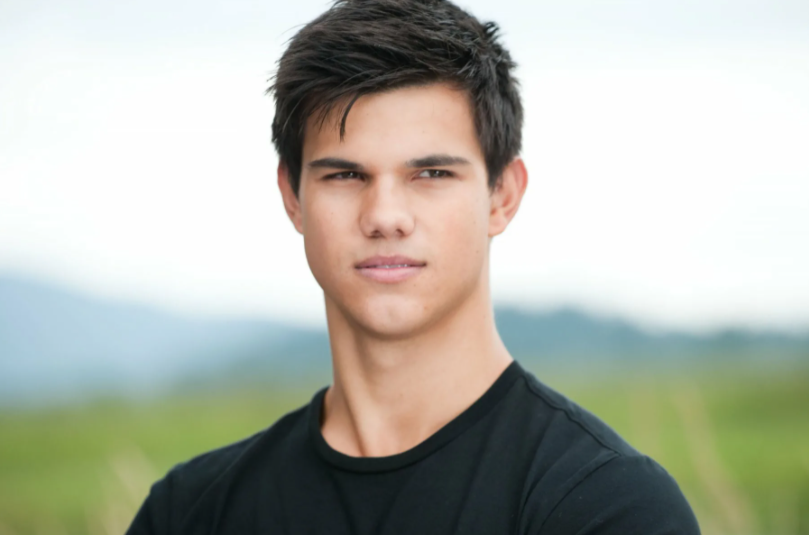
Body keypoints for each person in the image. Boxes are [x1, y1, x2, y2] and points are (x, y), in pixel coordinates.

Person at [127, 0, 701, 533]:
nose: (385, 217)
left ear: (502, 196)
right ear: (292, 196)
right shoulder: (189, 513)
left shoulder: (608, 506)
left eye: (431, 174)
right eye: (345, 175)